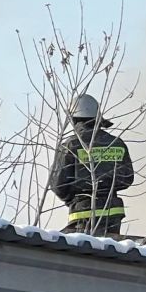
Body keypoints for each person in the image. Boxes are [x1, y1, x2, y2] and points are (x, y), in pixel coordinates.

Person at [48, 93, 136, 236]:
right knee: (109, 251)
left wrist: (74, 198)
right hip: (113, 213)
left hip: (82, 212)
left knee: (84, 252)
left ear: (73, 118)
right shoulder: (117, 143)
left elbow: (58, 185)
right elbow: (127, 178)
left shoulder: (71, 145)